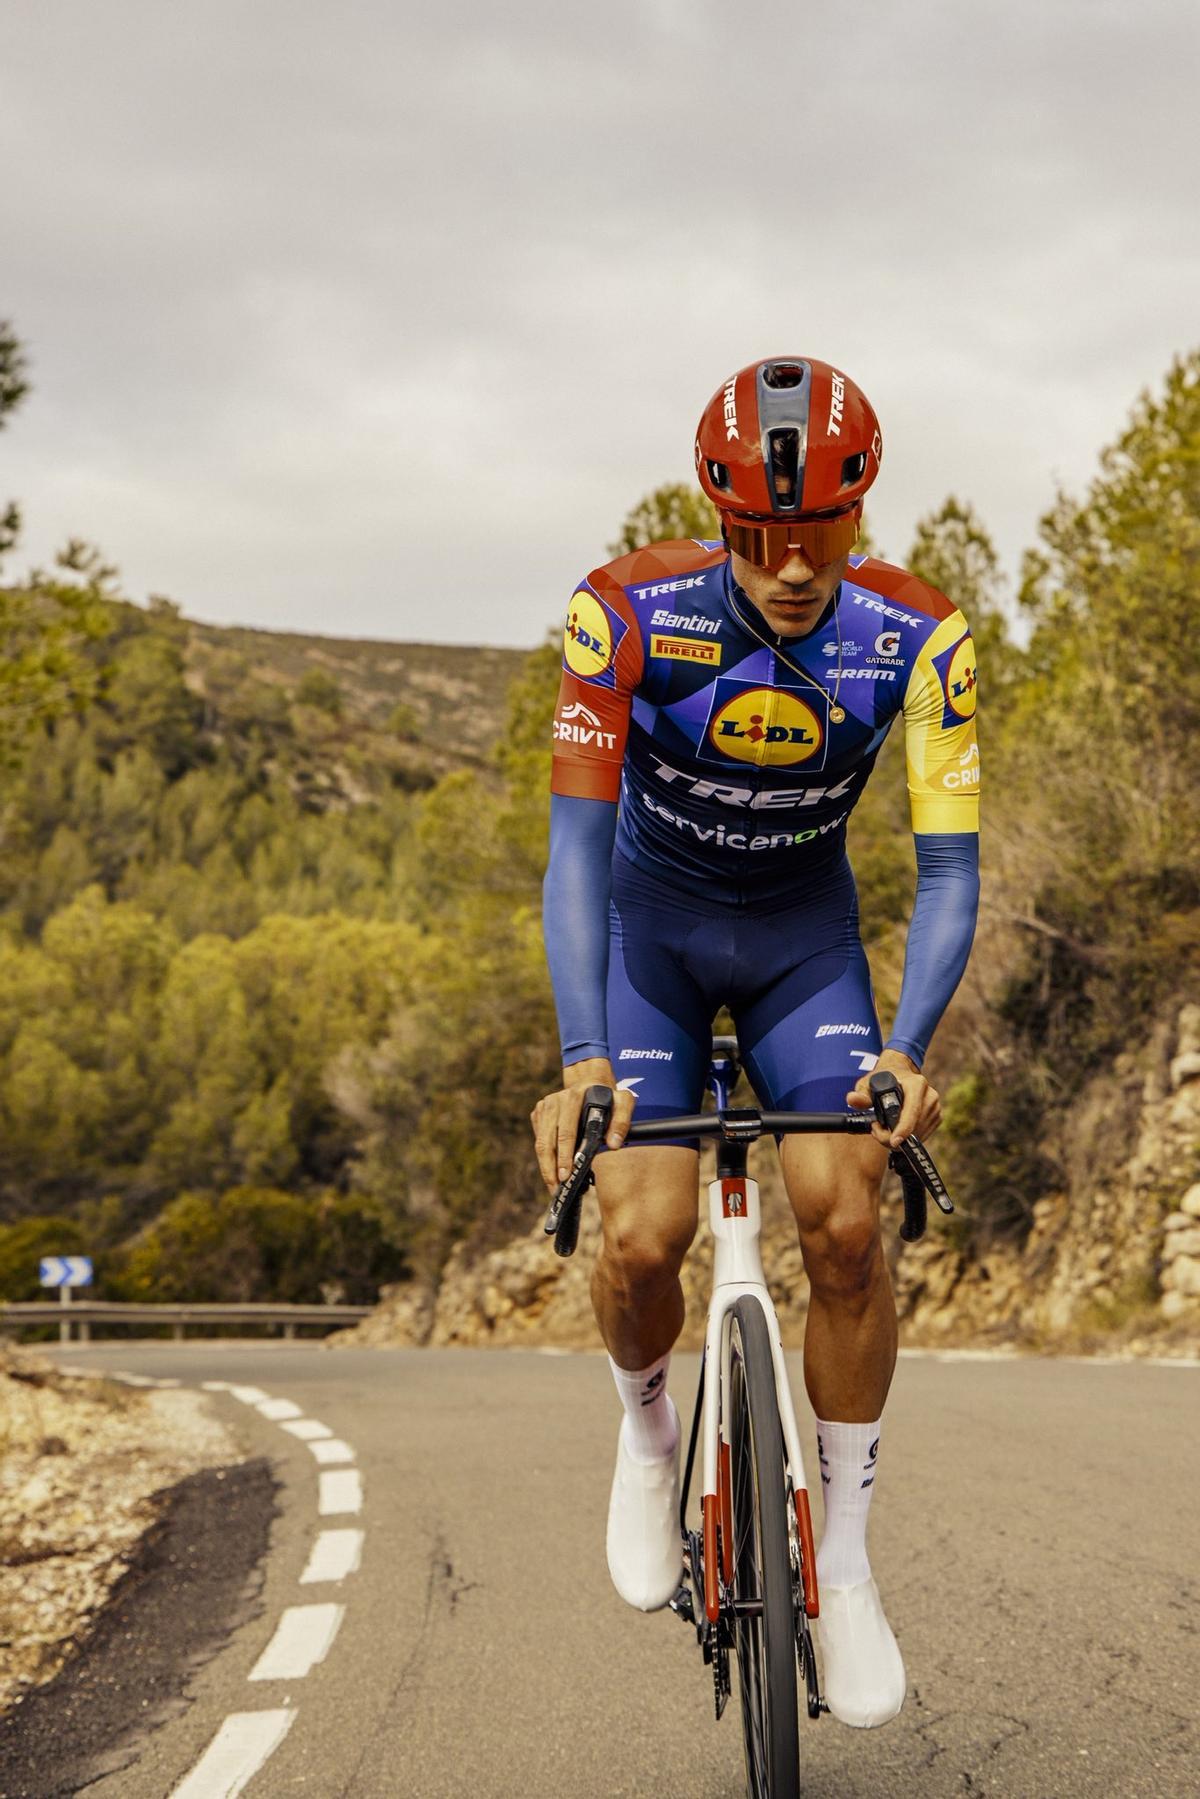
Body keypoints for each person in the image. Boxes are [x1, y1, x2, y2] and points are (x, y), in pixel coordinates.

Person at [531, 356, 979, 1728]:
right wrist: (583, 1055)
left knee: (846, 1221)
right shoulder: (622, 614)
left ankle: (842, 1561)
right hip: (649, 939)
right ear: (714, 517)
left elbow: (951, 872)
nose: (790, 569)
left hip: (803, 940)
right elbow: (572, 854)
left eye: (822, 536)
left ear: (863, 514)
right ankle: (645, 1430)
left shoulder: (923, 638)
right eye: (757, 540)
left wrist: (906, 1046)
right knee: (640, 1235)